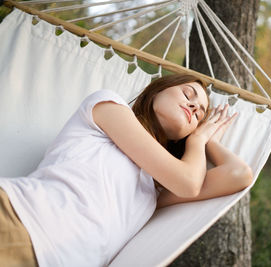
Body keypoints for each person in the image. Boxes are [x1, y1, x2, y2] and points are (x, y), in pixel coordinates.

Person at [0, 74, 253, 266]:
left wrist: (206, 140)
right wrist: (198, 141)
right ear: (157, 91)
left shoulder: (154, 190)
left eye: (199, 115)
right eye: (188, 94)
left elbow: (239, 175)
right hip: (16, 217)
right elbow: (188, 182)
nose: (194, 108)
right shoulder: (106, 106)